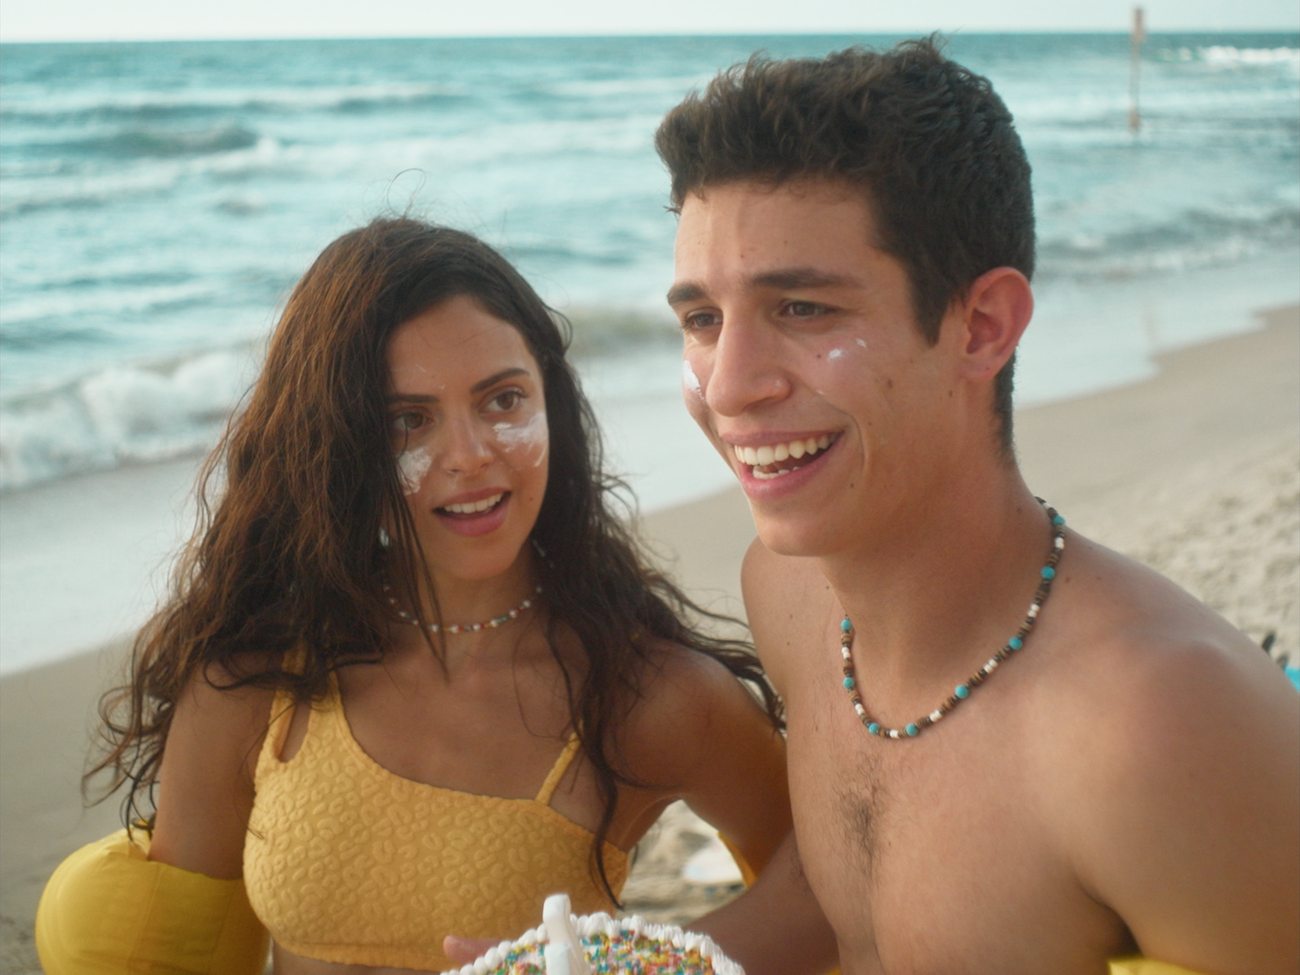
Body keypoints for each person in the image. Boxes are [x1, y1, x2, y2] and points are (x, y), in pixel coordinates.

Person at [653, 38, 1299, 975]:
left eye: (802, 308)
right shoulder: (789, 595)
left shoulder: (1150, 726)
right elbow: (842, 904)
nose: (728, 386)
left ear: (982, 326)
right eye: (702, 320)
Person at [35, 219, 795, 973]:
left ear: (552, 403)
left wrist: (632, 966)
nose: (469, 455)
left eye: (502, 400)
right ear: (339, 445)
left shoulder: (643, 694)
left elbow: (826, 886)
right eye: (408, 421)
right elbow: (177, 956)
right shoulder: (258, 674)